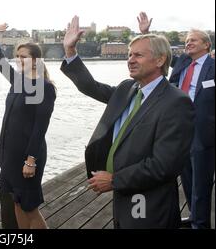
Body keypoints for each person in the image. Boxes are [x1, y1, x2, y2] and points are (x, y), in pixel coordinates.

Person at [61, 15, 195, 228]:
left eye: (138, 55)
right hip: (123, 195)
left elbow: (164, 166)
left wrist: (114, 180)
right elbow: (91, 87)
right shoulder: (128, 88)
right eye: (129, 54)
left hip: (148, 202)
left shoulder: (176, 102)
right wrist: (70, 51)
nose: (130, 59)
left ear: (160, 60)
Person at [139, 12, 215, 229]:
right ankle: (194, 216)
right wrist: (146, 33)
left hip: (203, 131)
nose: (188, 43)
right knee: (187, 178)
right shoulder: (181, 63)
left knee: (201, 181)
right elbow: (162, 51)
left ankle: (201, 224)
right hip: (178, 128)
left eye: (193, 40)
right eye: (186, 40)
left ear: (206, 45)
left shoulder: (213, 67)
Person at [0, 23, 56, 229]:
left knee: (29, 208)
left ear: (35, 61)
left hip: (28, 157)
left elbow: (39, 128)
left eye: (24, 56)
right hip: (11, 155)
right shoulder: (18, 82)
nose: (19, 60)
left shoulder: (44, 88)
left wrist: (31, 160)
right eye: (17, 56)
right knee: (17, 203)